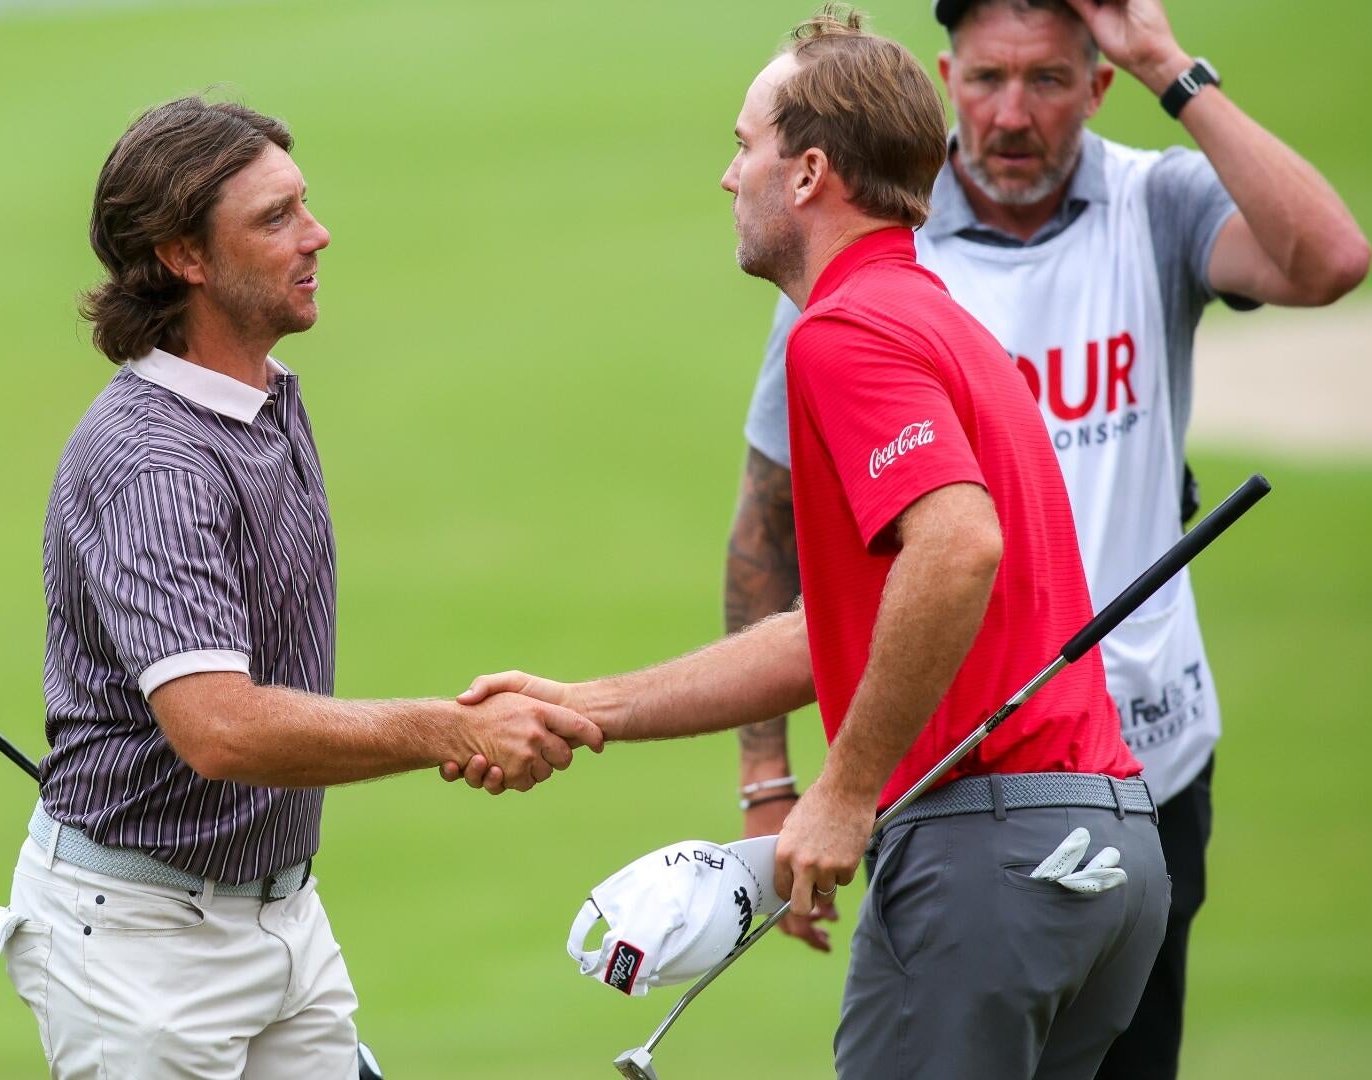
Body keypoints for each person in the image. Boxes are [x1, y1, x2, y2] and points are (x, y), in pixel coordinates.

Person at [451, 9, 1168, 1076]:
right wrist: (586, 705)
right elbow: (834, 635)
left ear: (808, 173)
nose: (727, 176)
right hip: (1105, 852)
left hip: (991, 862)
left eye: (744, 145)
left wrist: (843, 788)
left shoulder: (844, 332)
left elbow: (957, 548)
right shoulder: (938, 321)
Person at [732, 1, 1370, 1071]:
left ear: (1099, 84)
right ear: (947, 81)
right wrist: (772, 778)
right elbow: (771, 526)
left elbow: (1330, 259)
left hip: (1145, 758)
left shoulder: (1152, 201)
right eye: (986, 80)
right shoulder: (862, 254)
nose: (1013, 114)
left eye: (1048, 80)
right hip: (954, 771)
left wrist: (1170, 65)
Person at [0, 96, 603, 1080]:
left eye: (303, 203)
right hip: (141, 958)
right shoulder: (155, 463)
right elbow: (220, 730)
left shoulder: (265, 395)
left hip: (281, 919)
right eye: (276, 218)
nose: (317, 234)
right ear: (184, 255)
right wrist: (451, 730)